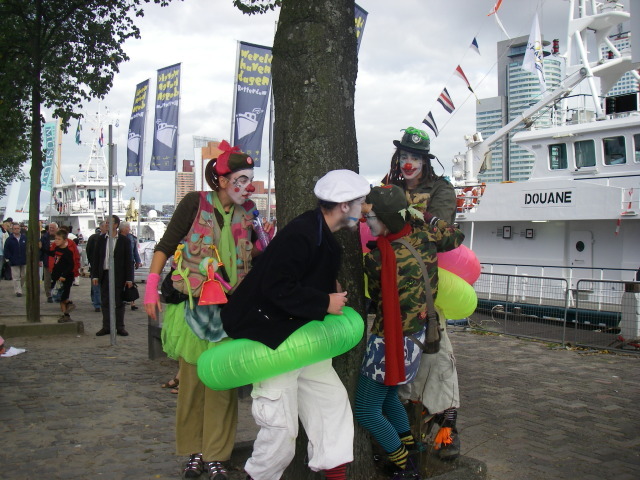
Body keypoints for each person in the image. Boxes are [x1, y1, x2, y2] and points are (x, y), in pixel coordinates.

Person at [221, 169, 371, 480]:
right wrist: (324, 302)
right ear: (344, 205)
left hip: (301, 336)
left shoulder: (319, 234)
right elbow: (276, 286)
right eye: (362, 202)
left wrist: (327, 291)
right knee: (280, 430)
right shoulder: (303, 233)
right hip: (272, 339)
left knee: (332, 407)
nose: (365, 209)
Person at [144, 141, 271, 480]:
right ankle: (194, 451)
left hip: (231, 314)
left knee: (223, 387)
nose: (248, 186)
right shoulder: (194, 203)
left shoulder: (250, 215)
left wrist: (265, 244)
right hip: (194, 313)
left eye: (251, 179)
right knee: (193, 385)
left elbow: (251, 259)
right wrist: (150, 286)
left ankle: (217, 453)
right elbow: (166, 245)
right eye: (241, 179)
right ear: (222, 180)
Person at [353, 185, 464, 477]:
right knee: (389, 399)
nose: (367, 221)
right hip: (416, 341)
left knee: (366, 410)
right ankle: (412, 449)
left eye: (372, 216)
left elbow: (377, 301)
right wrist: (425, 216)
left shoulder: (376, 260)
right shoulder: (426, 238)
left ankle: (407, 465)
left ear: (388, 220)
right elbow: (456, 235)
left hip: (387, 343)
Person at [387, 127, 462, 459]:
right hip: (394, 282)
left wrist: (411, 214)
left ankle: (448, 428)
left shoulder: (441, 189)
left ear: (425, 161)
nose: (408, 163)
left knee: (438, 355)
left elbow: (443, 234)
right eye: (404, 156)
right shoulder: (390, 187)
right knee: (401, 362)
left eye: (414, 157)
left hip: (429, 284)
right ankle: (408, 433)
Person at [92, 215, 134, 337]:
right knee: (105, 301)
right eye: (105, 222)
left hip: (119, 276)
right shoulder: (100, 239)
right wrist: (95, 275)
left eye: (109, 222)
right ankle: (106, 326)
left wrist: (129, 278)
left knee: (119, 302)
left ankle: (120, 327)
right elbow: (96, 259)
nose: (106, 224)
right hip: (104, 274)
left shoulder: (124, 240)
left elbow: (128, 260)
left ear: (115, 225)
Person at [46, 229, 77, 323]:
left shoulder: (68, 252)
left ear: (64, 240)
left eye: (58, 239)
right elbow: (51, 254)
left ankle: (68, 304)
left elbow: (71, 265)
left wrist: (64, 275)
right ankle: (65, 315)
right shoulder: (57, 249)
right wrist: (42, 249)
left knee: (63, 296)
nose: (56, 241)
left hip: (66, 278)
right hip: (57, 276)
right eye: (55, 239)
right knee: (57, 296)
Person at [118, 221, 142, 310]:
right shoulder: (117, 238)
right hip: (120, 264)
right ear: (123, 229)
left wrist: (137, 261)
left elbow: (134, 250)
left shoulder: (131, 238)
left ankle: (132, 302)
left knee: (130, 282)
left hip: (130, 263)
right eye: (128, 227)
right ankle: (121, 299)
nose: (129, 229)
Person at [86, 224, 107, 312]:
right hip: (95, 265)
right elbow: (88, 250)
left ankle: (102, 302)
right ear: (101, 227)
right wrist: (92, 262)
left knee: (103, 286)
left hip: (105, 267)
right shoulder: (94, 238)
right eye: (105, 226)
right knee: (96, 286)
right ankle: (97, 304)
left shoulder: (109, 239)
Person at [4, 222, 27, 297]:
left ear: (20, 229)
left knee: (24, 275)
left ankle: (19, 286)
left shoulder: (24, 238)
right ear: (12, 229)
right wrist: (9, 258)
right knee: (16, 277)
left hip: (24, 260)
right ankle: (18, 291)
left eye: (18, 228)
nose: (16, 230)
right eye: (15, 229)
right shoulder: (9, 239)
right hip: (14, 260)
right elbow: (6, 250)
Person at [40, 222, 58, 303]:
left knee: (57, 279)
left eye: (53, 227)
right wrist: (40, 260)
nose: (51, 229)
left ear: (57, 229)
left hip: (58, 262)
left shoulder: (60, 237)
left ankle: (57, 294)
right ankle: (49, 295)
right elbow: (41, 250)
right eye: (50, 227)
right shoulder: (44, 237)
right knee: (47, 279)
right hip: (47, 261)